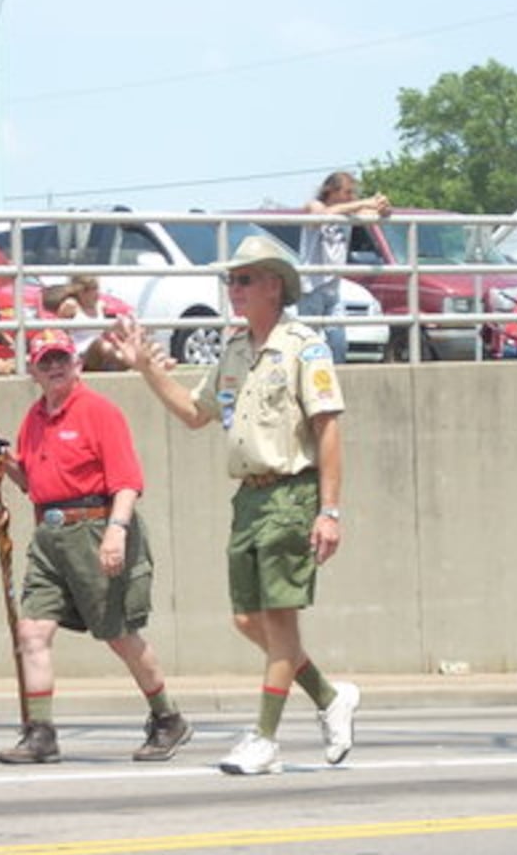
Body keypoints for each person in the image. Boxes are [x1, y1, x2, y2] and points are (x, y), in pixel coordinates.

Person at [108, 234, 359, 776]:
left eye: (244, 279)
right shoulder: (235, 351)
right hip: (247, 499)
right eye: (232, 280)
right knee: (248, 619)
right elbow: (196, 414)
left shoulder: (301, 347)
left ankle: (264, 739)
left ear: (274, 285)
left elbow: (328, 427)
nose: (234, 289)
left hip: (290, 494)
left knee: (278, 623)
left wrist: (329, 510)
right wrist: (148, 370)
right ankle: (330, 696)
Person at [0, 327, 191, 765]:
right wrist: (4, 461)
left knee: (119, 634)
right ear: (33, 371)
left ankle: (167, 717)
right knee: (32, 631)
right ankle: (40, 733)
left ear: (77, 364)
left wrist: (116, 532)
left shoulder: (99, 412)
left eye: (62, 359)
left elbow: (127, 481)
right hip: (49, 536)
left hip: (96, 528)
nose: (55, 367)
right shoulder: (34, 419)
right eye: (46, 361)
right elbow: (34, 485)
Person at [297, 170, 391, 364]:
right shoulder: (315, 205)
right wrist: (363, 202)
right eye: (348, 192)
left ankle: (336, 381)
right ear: (332, 191)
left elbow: (379, 216)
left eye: (353, 193)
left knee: (338, 343)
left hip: (333, 289)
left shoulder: (350, 213)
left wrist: (383, 208)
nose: (352, 197)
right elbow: (320, 214)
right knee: (307, 343)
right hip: (310, 288)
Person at [56, 275, 125, 371]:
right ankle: (129, 362)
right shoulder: (71, 305)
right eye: (92, 289)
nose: (96, 293)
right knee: (99, 344)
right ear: (81, 291)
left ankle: (130, 360)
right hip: (80, 354)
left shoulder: (101, 306)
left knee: (120, 339)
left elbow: (107, 331)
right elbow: (59, 332)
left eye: (96, 288)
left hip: (102, 352)